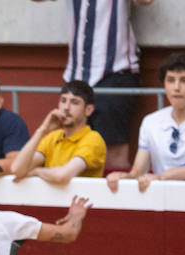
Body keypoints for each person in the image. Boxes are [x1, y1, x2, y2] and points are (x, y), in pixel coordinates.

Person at [31, 0, 155, 169]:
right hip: (77, 75)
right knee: (71, 147)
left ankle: (114, 196)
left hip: (114, 72)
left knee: (113, 154)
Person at [107, 52, 185, 193]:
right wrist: (123, 177)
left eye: (184, 80)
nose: (176, 87)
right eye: (170, 80)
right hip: (158, 197)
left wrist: (161, 178)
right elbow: (138, 171)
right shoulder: (150, 122)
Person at [10, 80, 107, 183]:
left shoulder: (93, 139)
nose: (66, 108)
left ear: (88, 110)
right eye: (63, 100)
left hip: (81, 199)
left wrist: (37, 171)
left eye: (75, 102)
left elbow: (62, 176)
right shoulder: (52, 137)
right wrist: (42, 130)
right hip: (50, 198)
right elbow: (17, 169)